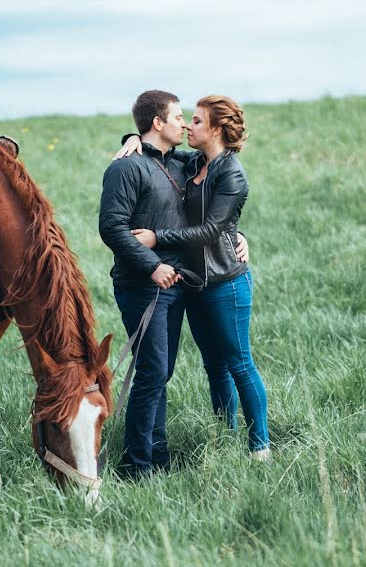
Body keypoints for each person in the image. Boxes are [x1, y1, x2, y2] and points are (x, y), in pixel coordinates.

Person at [117, 95, 270, 459]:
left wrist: (158, 238)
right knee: (213, 366)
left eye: (197, 121)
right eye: (187, 119)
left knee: (239, 363)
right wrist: (131, 137)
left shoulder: (232, 173)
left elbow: (212, 229)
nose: (188, 126)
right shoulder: (193, 161)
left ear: (216, 129)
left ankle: (260, 446)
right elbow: (158, 155)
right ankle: (225, 434)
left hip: (226, 282)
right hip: (195, 284)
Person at [98, 89, 191, 479]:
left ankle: (158, 455)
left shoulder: (183, 163)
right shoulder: (126, 168)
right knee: (152, 370)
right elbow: (112, 227)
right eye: (178, 117)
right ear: (158, 122)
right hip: (142, 285)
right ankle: (137, 466)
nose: (184, 123)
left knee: (161, 371)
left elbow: (220, 158)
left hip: (178, 286)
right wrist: (152, 265)